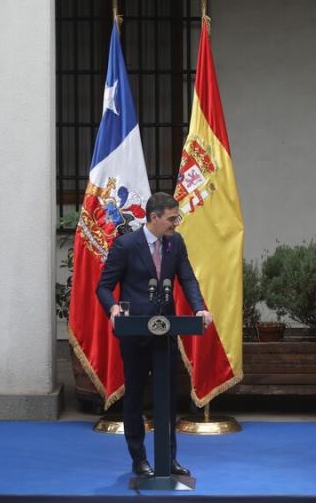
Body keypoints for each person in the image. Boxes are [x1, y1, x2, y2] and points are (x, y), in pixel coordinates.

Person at [96, 192, 213, 478]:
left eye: (177, 217)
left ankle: (168, 459)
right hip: (134, 333)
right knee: (135, 397)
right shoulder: (126, 245)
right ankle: (139, 459)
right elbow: (103, 287)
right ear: (154, 217)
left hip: (166, 333)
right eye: (172, 218)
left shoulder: (177, 243)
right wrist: (113, 309)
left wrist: (199, 309)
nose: (177, 223)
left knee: (168, 399)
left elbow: (187, 278)